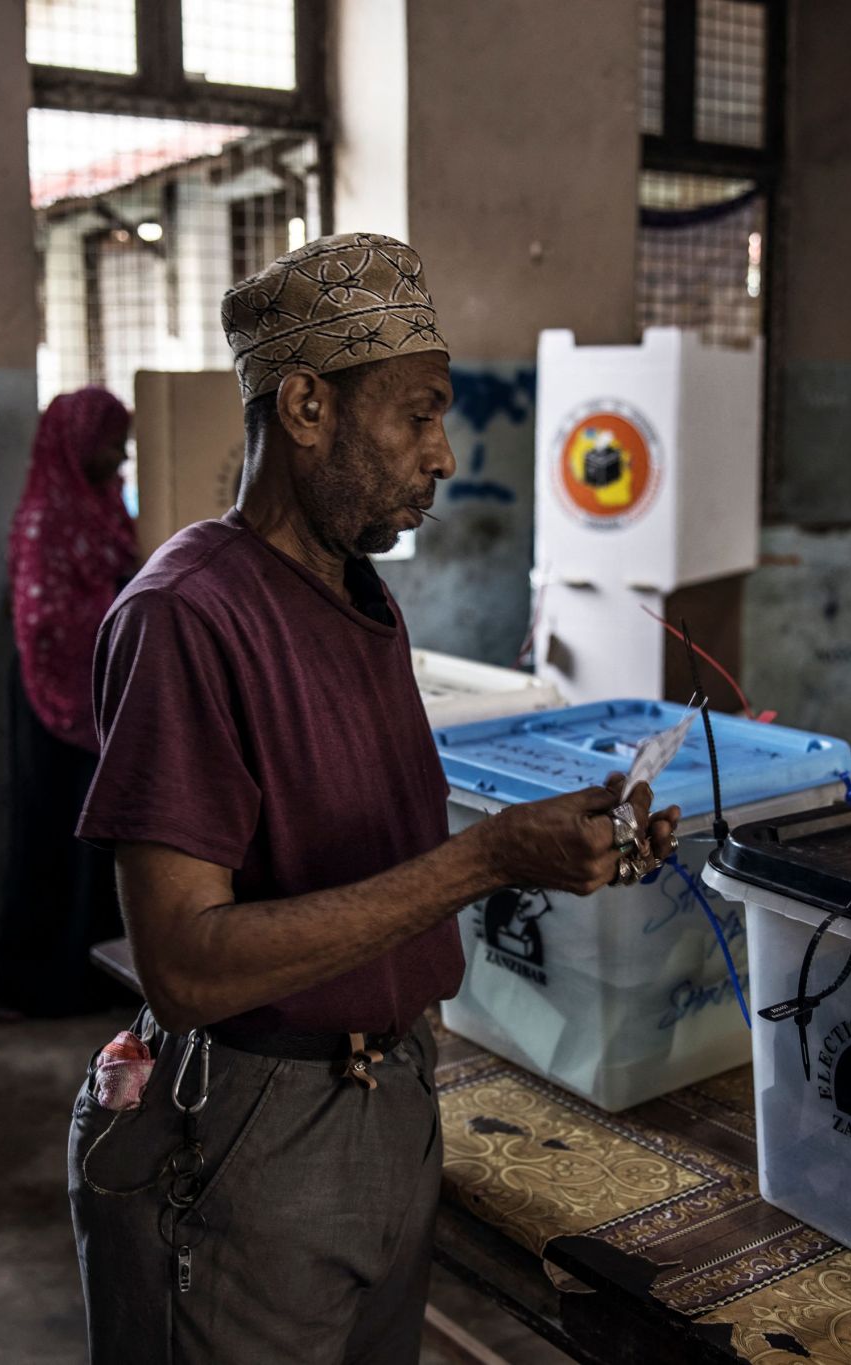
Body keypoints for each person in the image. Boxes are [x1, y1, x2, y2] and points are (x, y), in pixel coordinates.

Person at [66, 233, 681, 1364]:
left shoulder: (360, 598)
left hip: (389, 1092)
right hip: (258, 1126)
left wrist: (570, 846)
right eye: (416, 415)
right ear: (306, 406)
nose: (442, 455)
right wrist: (488, 860)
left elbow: (364, 854)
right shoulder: (183, 618)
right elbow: (186, 966)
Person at [0, 387, 138, 1017]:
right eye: (112, 442)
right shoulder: (45, 518)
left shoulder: (105, 505)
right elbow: (48, 621)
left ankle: (94, 980)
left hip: (103, 688)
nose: (121, 456)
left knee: (101, 843)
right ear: (80, 442)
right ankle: (38, 989)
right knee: (54, 838)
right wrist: (126, 610)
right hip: (54, 693)